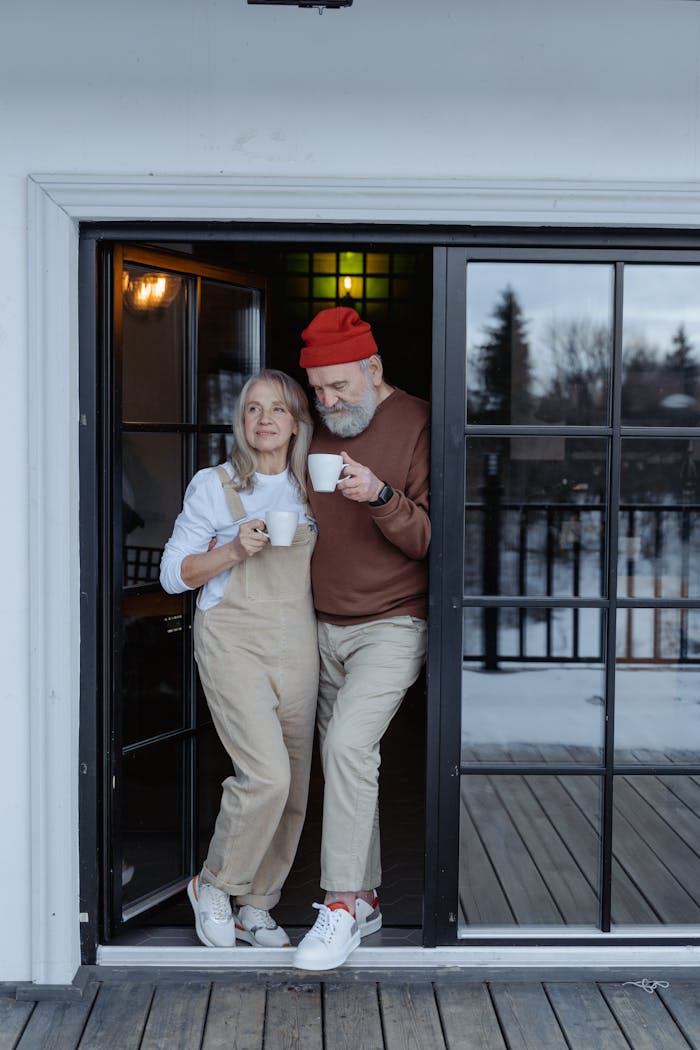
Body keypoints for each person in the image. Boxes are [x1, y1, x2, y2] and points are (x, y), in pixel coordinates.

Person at [160, 369, 318, 950]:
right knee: (266, 774)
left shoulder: (311, 485)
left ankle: (257, 904)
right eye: (253, 409)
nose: (264, 419)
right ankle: (215, 883)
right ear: (241, 421)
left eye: (277, 409)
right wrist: (230, 549)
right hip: (232, 636)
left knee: (295, 784)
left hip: (297, 638)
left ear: (297, 422)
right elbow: (172, 573)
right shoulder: (215, 484)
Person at [293, 307, 430, 970]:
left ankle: (340, 905)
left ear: (374, 368)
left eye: (339, 386)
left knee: (348, 744)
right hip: (315, 624)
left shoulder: (419, 422)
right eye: (318, 390)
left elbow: (434, 539)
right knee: (344, 761)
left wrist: (380, 496)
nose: (328, 402)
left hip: (393, 621)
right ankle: (369, 898)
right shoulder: (310, 430)